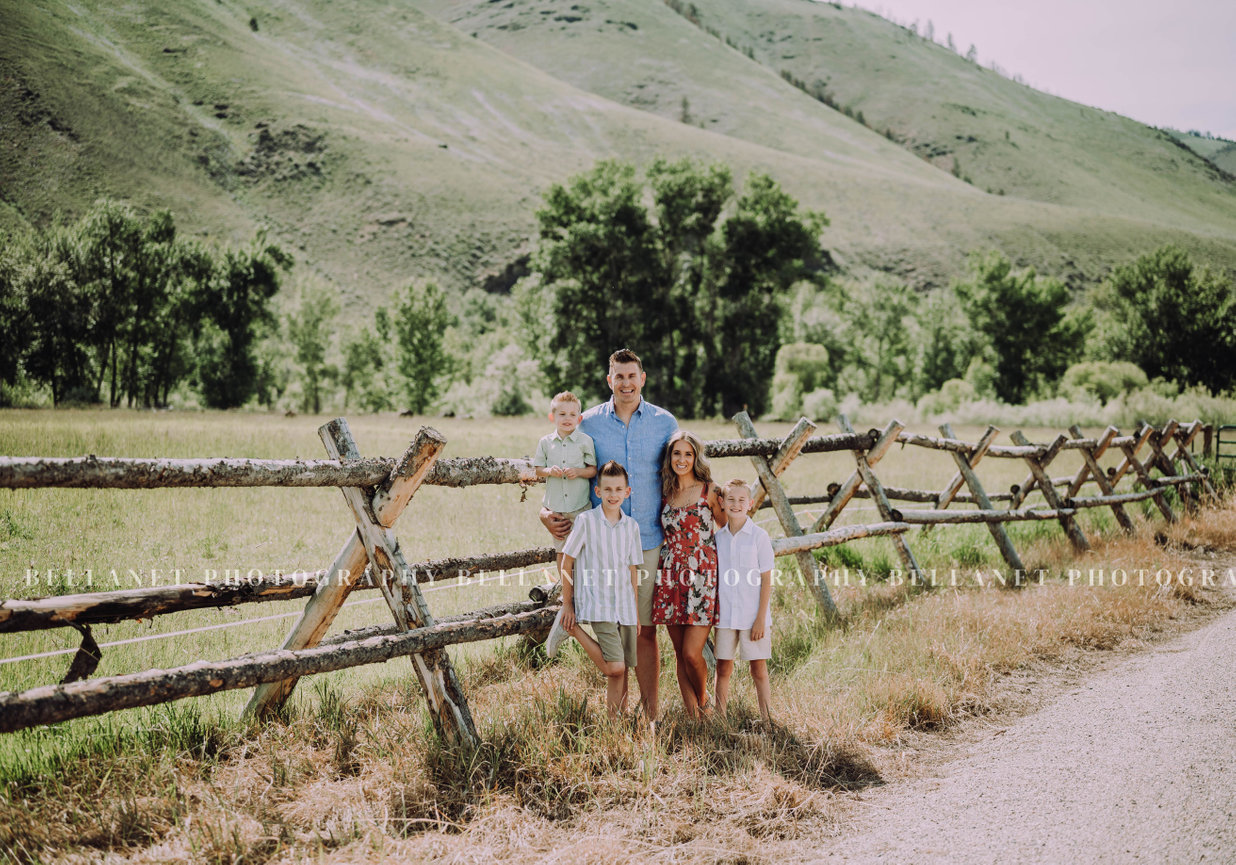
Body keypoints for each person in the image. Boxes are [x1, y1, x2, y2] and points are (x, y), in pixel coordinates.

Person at [540, 348, 677, 721]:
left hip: (647, 541)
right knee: (613, 630)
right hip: (600, 546)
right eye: (619, 376)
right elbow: (562, 469)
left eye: (632, 376)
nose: (626, 383)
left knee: (643, 629)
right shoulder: (588, 424)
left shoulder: (665, 423)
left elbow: (681, 473)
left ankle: (650, 716)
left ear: (642, 378)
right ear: (609, 380)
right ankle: (618, 718)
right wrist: (544, 512)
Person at [556, 460, 644, 718]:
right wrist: (567, 604)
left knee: (623, 669)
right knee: (614, 667)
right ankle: (572, 630)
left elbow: (632, 570)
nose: (613, 495)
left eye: (618, 489)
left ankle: (615, 722)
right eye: (607, 489)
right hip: (599, 604)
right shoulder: (587, 521)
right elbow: (567, 560)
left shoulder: (631, 526)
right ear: (598, 491)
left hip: (625, 607)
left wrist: (636, 613)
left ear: (627, 492)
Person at [652, 430, 724, 718]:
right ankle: (694, 717)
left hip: (702, 578)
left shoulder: (710, 491)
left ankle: (704, 702)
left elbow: (729, 529)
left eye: (688, 454)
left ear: (696, 458)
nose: (681, 459)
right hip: (670, 576)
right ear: (670, 457)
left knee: (693, 653)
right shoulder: (666, 493)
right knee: (680, 653)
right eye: (676, 453)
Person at [713, 478, 775, 722]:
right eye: (731, 499)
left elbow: (766, 580)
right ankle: (720, 718)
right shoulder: (718, 539)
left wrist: (760, 619)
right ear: (722, 502)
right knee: (723, 668)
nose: (736, 504)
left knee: (758, 668)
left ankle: (767, 719)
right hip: (726, 616)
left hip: (752, 617)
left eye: (741, 500)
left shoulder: (759, 536)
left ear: (750, 503)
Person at [532, 391, 597, 570]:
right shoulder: (545, 442)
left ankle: (581, 586)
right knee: (562, 550)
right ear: (552, 417)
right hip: (557, 508)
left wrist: (578, 472)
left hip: (580, 506)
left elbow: (592, 470)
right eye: (562, 414)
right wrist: (549, 471)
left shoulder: (585, 441)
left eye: (572, 414)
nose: (567, 418)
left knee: (582, 551)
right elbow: (538, 470)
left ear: (579, 418)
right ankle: (565, 586)